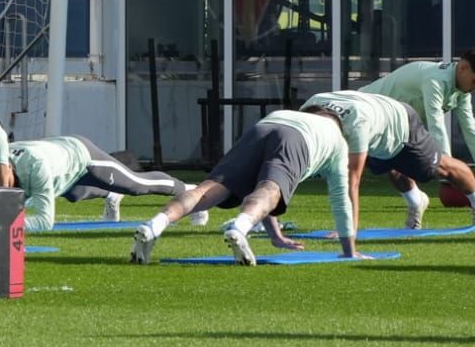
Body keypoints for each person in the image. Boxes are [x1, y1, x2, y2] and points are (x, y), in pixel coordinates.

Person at [129, 108, 357, 266]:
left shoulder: (290, 114)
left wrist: (276, 236)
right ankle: (239, 227)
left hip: (263, 126)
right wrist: (349, 252)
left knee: (210, 187)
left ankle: (154, 225)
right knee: (270, 189)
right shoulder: (338, 141)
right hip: (296, 139)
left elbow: (257, 181)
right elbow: (340, 199)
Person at [301, 88, 475, 233]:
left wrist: (348, 229)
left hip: (400, 123)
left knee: (438, 168)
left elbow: (352, 181)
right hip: (376, 122)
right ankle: (416, 200)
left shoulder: (356, 125)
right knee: (389, 167)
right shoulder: (306, 112)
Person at [361, 50, 475, 181]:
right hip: (365, 108)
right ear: (463, 68)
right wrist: (450, 167)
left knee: (399, 159)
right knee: (356, 163)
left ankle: (416, 202)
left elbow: (470, 128)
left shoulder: (462, 91)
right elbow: (436, 124)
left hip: (392, 120)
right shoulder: (435, 80)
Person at [0, 135, 189, 231]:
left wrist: (2, 226)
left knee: (137, 184)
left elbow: (45, 221)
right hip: (61, 167)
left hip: (81, 153)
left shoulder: (36, 166)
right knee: (74, 193)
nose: (3, 187)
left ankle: (192, 191)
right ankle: (110, 194)